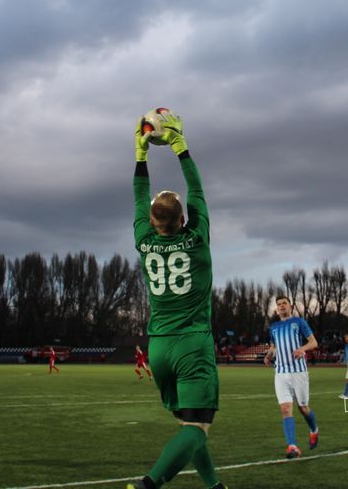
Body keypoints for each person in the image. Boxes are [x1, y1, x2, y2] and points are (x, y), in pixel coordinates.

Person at [126, 112, 226, 489]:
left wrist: (140, 154)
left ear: (152, 220)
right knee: (198, 429)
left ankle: (215, 487)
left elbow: (138, 195)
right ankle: (149, 485)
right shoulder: (197, 237)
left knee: (190, 425)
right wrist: (181, 148)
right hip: (192, 343)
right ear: (184, 217)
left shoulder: (143, 239)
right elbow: (197, 189)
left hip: (159, 348)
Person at [263, 295, 319, 459]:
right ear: (276, 308)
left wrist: (302, 349)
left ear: (291, 306)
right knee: (285, 409)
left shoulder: (299, 322)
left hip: (299, 372)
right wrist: (268, 355)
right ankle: (292, 446)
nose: (281, 306)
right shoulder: (273, 327)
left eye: (284, 303)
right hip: (280, 373)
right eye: (278, 304)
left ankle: (314, 429)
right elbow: (274, 347)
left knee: (303, 409)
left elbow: (313, 342)